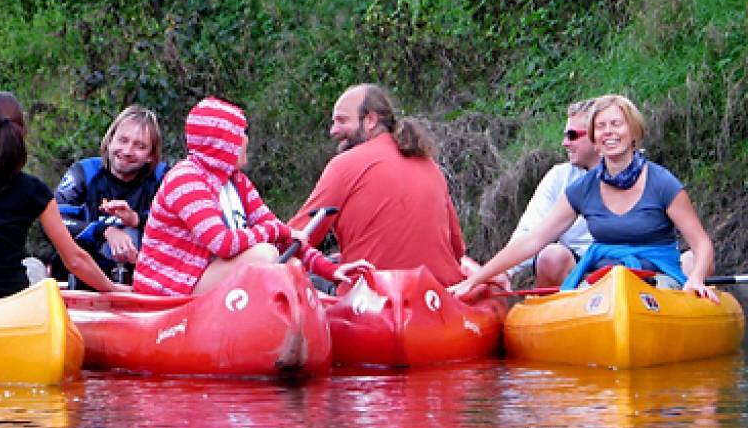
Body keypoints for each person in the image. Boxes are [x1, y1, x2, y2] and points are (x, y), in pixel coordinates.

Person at [449, 94, 719, 302]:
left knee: (695, 262)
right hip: (606, 283)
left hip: (657, 278)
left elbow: (701, 243)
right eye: (601, 127)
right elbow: (534, 240)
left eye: (616, 124)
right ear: (595, 139)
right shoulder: (583, 188)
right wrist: (476, 279)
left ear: (634, 133)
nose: (609, 132)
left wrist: (695, 278)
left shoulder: (662, 183)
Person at [132, 97, 372, 297]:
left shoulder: (237, 182)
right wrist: (278, 232)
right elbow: (223, 244)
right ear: (223, 142)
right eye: (241, 134)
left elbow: (279, 233)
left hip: (203, 279)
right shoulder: (186, 179)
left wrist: (330, 270)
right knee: (265, 256)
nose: (246, 141)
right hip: (169, 290)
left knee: (290, 264)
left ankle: (314, 321)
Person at [0, 91, 125, 305]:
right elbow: (74, 259)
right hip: (8, 302)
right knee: (35, 266)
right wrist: (112, 288)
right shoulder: (33, 189)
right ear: (21, 133)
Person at [289, 84, 467, 288]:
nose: (333, 131)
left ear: (371, 120)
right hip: (439, 296)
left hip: (373, 300)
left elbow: (294, 239)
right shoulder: (431, 166)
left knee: (311, 280)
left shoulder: (344, 166)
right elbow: (458, 250)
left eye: (342, 120)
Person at [51, 105, 167, 288]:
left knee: (133, 234)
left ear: (151, 156)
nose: (128, 151)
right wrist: (105, 231)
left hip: (143, 280)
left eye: (140, 146)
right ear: (110, 140)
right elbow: (54, 220)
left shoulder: (162, 178)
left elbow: (183, 226)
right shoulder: (84, 172)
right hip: (84, 277)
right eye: (123, 140)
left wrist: (138, 220)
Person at [506, 98, 598, 288]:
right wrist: (504, 271)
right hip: (577, 265)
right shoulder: (561, 176)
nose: (564, 143)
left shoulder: (644, 175)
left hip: (626, 266)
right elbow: (531, 231)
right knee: (551, 257)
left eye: (572, 135)